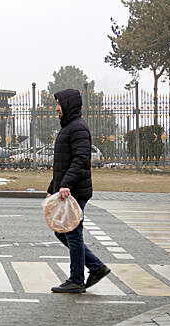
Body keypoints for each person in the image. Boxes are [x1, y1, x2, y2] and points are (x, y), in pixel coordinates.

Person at [46, 88, 110, 293]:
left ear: (68, 105)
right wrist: (52, 188)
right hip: (67, 189)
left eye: (59, 104)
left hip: (75, 190)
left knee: (72, 234)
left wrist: (65, 185)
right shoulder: (69, 127)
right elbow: (62, 164)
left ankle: (76, 280)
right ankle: (96, 267)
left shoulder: (78, 128)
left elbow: (81, 160)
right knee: (62, 232)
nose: (56, 109)